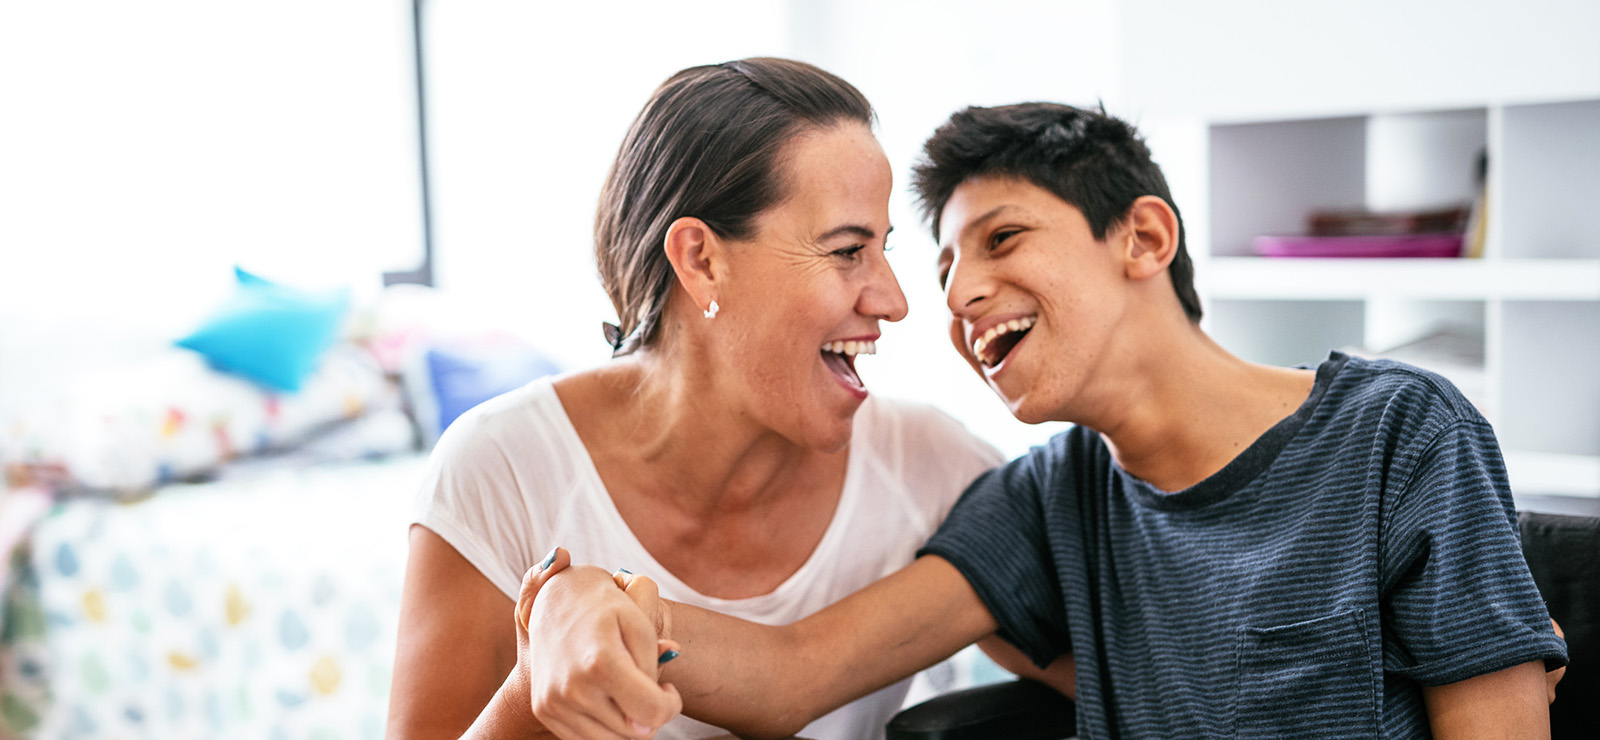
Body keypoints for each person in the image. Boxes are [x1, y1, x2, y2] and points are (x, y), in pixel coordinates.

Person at [520, 102, 1570, 739]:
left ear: (1145, 236)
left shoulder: (1399, 433)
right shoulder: (1050, 495)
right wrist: (586, 600)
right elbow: (791, 669)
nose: (958, 294)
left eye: (1002, 237)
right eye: (942, 268)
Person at [383, 58, 1014, 740]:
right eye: (845, 251)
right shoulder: (500, 471)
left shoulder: (934, 466)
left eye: (883, 248)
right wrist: (534, 684)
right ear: (701, 259)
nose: (894, 301)